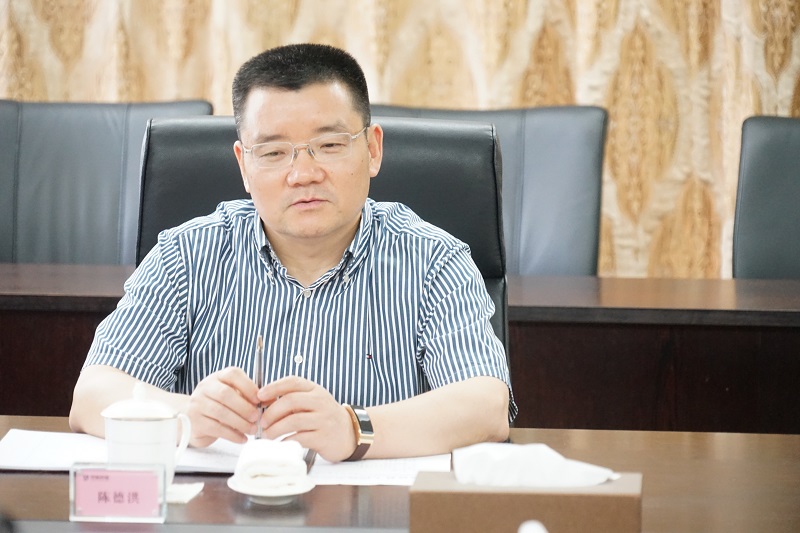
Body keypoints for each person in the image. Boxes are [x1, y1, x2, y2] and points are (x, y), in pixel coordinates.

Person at [69, 43, 516, 462]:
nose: (303, 173)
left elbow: (485, 406)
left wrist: (353, 429)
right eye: (273, 152)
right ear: (244, 165)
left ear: (373, 149)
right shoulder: (185, 256)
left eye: (329, 145)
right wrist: (185, 415)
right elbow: (92, 395)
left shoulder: (434, 260)